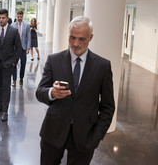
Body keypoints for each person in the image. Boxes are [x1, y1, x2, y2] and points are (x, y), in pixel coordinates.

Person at [35, 16, 115, 165]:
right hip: (53, 133)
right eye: (72, 38)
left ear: (90, 38)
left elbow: (108, 107)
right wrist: (52, 93)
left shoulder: (103, 66)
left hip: (85, 137)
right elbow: (40, 92)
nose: (75, 43)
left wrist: (96, 137)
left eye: (81, 39)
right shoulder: (54, 60)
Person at [0, 9, 22, 122]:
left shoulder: (14, 31)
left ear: (7, 18)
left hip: (8, 63)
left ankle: (5, 111)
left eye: (3, 18)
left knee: (6, 87)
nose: (1, 20)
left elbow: (19, 48)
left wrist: (13, 62)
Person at [11, 10, 31, 87]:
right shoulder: (12, 25)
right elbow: (11, 37)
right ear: (16, 16)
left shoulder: (27, 25)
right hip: (15, 48)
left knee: (23, 64)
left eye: (21, 16)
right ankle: (14, 80)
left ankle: (21, 78)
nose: (19, 18)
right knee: (14, 64)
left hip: (23, 48)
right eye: (18, 16)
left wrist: (28, 47)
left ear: (22, 16)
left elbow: (28, 37)